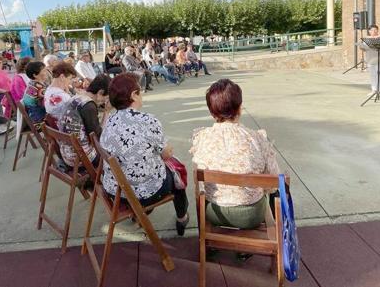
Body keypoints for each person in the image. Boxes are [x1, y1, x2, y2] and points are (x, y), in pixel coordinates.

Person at [100, 73, 189, 235]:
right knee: (177, 172)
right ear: (133, 95)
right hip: (143, 193)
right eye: (140, 92)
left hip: (116, 190)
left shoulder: (109, 120)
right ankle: (182, 217)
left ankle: (140, 215)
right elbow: (166, 154)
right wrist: (165, 150)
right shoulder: (147, 120)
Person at [191, 79, 280, 231]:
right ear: (239, 108)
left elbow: (198, 180)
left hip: (215, 212)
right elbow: (273, 179)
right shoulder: (257, 138)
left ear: (212, 112)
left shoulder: (202, 138)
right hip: (251, 215)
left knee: (201, 194)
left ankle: (208, 244)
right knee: (275, 191)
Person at [57, 74, 111, 170]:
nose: (105, 101)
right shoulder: (89, 105)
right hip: (80, 158)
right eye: (106, 97)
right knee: (117, 154)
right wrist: (107, 112)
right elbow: (98, 137)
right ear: (100, 92)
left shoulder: (76, 97)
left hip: (66, 152)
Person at [359, 25, 380, 95]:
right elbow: (363, 49)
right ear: (369, 31)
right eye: (372, 30)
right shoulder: (366, 39)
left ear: (378, 30)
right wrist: (361, 45)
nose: (374, 31)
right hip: (370, 59)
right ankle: (373, 90)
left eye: (376, 30)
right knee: (372, 75)